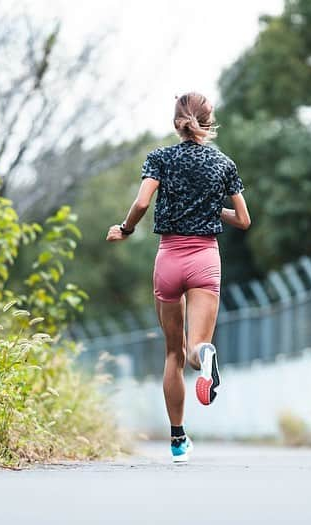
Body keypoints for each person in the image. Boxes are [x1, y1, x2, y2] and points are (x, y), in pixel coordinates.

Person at [106, 92, 251, 463]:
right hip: (204, 258)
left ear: (176, 123)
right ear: (208, 122)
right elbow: (243, 220)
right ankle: (206, 355)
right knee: (196, 348)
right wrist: (208, 208)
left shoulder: (159, 158)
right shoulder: (224, 163)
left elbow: (141, 203)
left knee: (172, 353)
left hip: (169, 258)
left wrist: (125, 229)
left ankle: (177, 439)